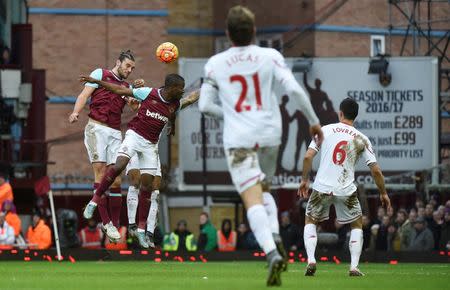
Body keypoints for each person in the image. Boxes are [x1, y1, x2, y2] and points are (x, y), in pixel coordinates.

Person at [198, 5, 323, 286]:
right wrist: (314, 122)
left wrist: (229, 115)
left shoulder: (215, 63)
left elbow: (205, 106)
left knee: (251, 197)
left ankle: (270, 252)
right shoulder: (271, 56)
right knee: (265, 187)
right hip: (270, 134)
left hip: (239, 138)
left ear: (228, 33)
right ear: (254, 31)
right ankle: (276, 234)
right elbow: (292, 89)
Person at [79, 73, 198, 248]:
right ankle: (94, 201)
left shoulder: (174, 104)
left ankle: (142, 231)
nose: (182, 92)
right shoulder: (148, 93)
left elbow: (187, 102)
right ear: (171, 88)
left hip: (150, 146)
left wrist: (172, 125)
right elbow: (120, 89)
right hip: (134, 136)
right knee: (119, 165)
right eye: (179, 89)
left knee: (147, 186)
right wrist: (97, 82)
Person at [298, 98, 391, 277]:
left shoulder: (324, 130)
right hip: (345, 189)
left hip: (322, 188)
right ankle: (354, 267)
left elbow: (308, 157)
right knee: (356, 224)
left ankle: (311, 260)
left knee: (310, 221)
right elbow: (376, 171)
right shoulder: (362, 139)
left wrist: (304, 180)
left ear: (340, 113)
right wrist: (383, 193)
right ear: (355, 116)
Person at [69, 50, 143, 241]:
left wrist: (136, 99)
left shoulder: (126, 86)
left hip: (115, 132)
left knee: (116, 180)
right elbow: (84, 95)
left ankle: (115, 227)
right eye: (127, 66)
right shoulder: (100, 74)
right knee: (101, 173)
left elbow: (135, 108)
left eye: (132, 68)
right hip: (96, 128)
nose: (130, 70)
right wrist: (76, 112)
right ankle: (106, 222)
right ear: (118, 63)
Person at [126, 92, 198, 248]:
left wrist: (208, 83)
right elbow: (129, 96)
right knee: (135, 182)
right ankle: (132, 224)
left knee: (155, 192)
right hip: (136, 149)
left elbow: (191, 99)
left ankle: (149, 233)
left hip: (151, 152)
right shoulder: (146, 102)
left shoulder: (170, 108)